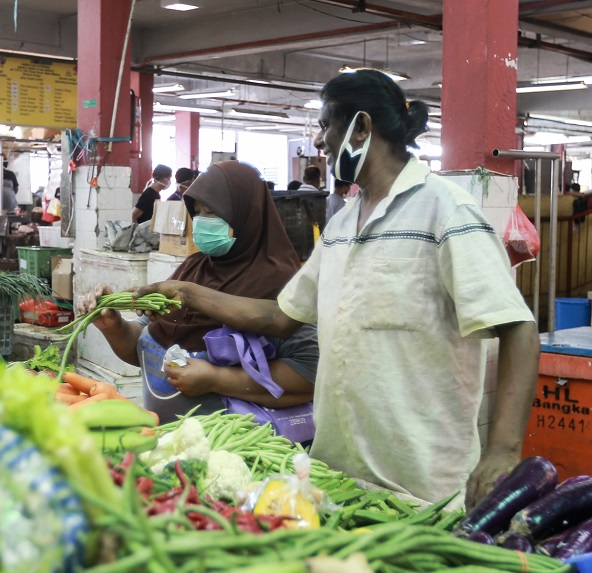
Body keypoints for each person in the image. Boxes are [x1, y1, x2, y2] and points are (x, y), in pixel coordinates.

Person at [135, 69, 539, 510]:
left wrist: (503, 449)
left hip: (421, 481)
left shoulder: (447, 214)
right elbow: (279, 317)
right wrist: (189, 293)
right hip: (338, 474)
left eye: (327, 124)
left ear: (362, 127)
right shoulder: (343, 224)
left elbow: (518, 328)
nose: (320, 142)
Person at [77, 161, 319, 426]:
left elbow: (310, 373)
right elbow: (148, 347)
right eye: (198, 211)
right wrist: (114, 326)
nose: (203, 221)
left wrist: (218, 379)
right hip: (168, 445)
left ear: (247, 215)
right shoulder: (192, 268)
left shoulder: (281, 284)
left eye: (213, 212)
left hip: (236, 452)